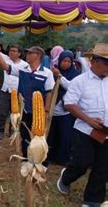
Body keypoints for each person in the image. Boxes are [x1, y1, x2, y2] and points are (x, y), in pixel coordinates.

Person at [56, 43, 108, 206]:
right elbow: (69, 104)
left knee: (103, 167)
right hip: (85, 130)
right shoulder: (80, 81)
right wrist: (89, 120)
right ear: (95, 62)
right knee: (81, 163)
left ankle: (92, 200)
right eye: (107, 62)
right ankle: (66, 177)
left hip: (105, 131)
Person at [0, 42, 55, 157]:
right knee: (24, 134)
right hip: (24, 110)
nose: (27, 54)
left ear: (38, 56)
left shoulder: (47, 73)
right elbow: (6, 67)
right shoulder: (22, 69)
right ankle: (26, 157)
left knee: (38, 136)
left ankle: (38, 157)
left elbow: (49, 93)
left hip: (38, 112)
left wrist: (46, 111)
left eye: (30, 53)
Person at [47, 51, 80, 165]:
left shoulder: (75, 74)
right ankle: (50, 156)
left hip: (66, 111)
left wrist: (59, 77)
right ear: (59, 61)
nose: (66, 64)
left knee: (64, 136)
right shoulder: (51, 72)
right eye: (64, 61)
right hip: (53, 110)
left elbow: (71, 86)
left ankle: (62, 158)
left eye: (68, 61)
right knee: (51, 135)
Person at [0, 45, 28, 139]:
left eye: (14, 51)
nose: (11, 52)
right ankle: (0, 130)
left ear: (19, 53)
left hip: (17, 92)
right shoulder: (5, 59)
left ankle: (12, 130)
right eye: (10, 50)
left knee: (15, 112)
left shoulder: (24, 64)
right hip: (5, 90)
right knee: (2, 112)